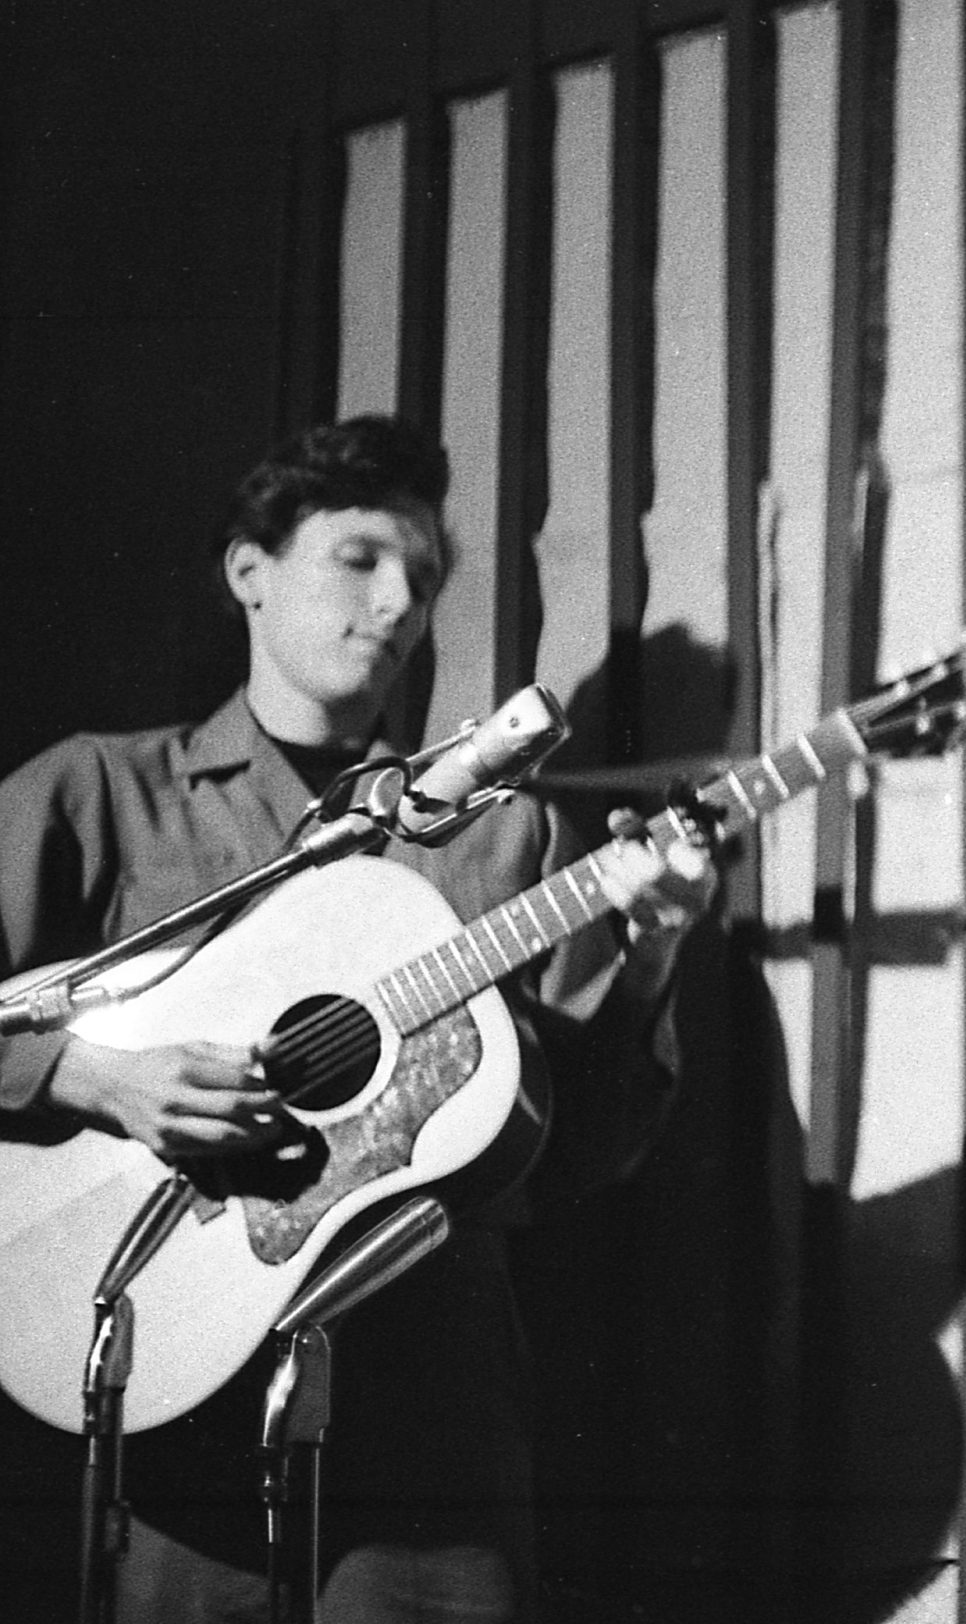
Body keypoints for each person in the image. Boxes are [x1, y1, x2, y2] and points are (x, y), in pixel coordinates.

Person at [0, 415, 716, 1621]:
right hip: (169, 1411)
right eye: (360, 559)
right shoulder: (101, 793)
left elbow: (576, 1151)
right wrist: (92, 1077)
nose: (398, 604)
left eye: (424, 581)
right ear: (250, 570)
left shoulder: (513, 840)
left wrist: (654, 950)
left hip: (426, 1428)